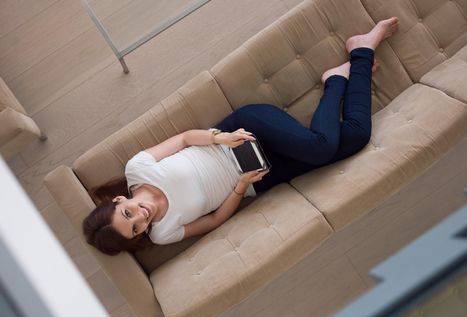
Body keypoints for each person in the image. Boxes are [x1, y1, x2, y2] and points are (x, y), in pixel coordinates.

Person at [83, 17, 400, 255]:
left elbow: (182, 140)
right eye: (136, 228)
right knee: (355, 137)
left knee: (320, 148)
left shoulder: (137, 169)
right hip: (256, 178)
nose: (142, 217)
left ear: (119, 200)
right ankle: (350, 66)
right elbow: (214, 221)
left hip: (242, 132)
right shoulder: (162, 233)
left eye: (128, 213)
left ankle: (347, 66)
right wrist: (241, 186)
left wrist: (221, 138)